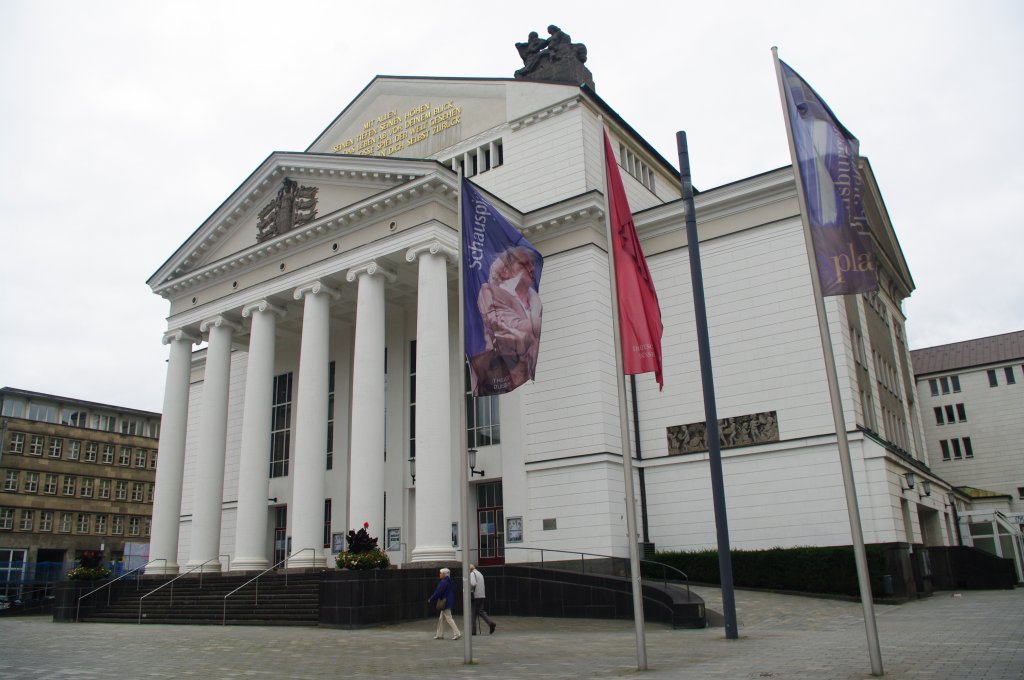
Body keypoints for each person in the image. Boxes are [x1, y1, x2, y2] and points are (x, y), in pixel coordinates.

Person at [474, 246, 543, 392]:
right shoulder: (492, 292)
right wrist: (535, 325)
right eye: (524, 264)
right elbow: (507, 327)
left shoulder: (533, 302)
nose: (532, 268)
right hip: (501, 368)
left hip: (523, 369)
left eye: (532, 264)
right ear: (505, 271)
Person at [427, 567, 461, 640]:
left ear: (444, 574)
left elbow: (438, 592)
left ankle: (457, 633)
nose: (439, 574)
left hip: (445, 602)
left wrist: (431, 599)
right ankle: (439, 634)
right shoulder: (450, 581)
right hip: (448, 601)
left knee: (449, 618)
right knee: (441, 619)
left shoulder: (443, 582)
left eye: (440, 573)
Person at [469, 564, 497, 635]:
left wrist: (467, 587)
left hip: (475, 595)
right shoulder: (480, 573)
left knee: (473, 613)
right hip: (481, 595)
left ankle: (473, 631)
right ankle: (490, 623)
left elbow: (472, 583)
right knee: (480, 611)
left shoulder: (472, 574)